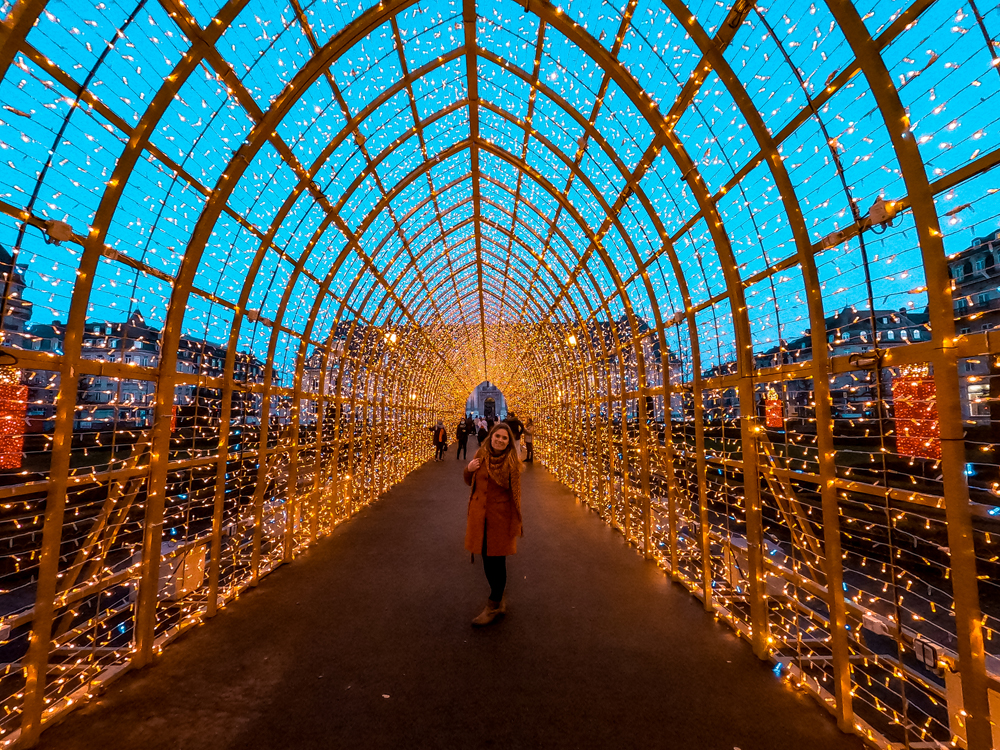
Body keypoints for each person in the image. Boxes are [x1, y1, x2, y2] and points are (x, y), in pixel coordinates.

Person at [463, 422, 524, 626]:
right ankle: (498, 598)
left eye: (505, 438)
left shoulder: (512, 463)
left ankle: (494, 604)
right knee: (486, 559)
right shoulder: (481, 454)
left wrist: (515, 522)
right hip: (479, 516)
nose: (500, 440)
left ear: (509, 443)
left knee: (496, 561)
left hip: (500, 518)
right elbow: (468, 480)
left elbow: (516, 495)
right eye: (497, 436)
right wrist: (469, 468)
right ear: (491, 437)